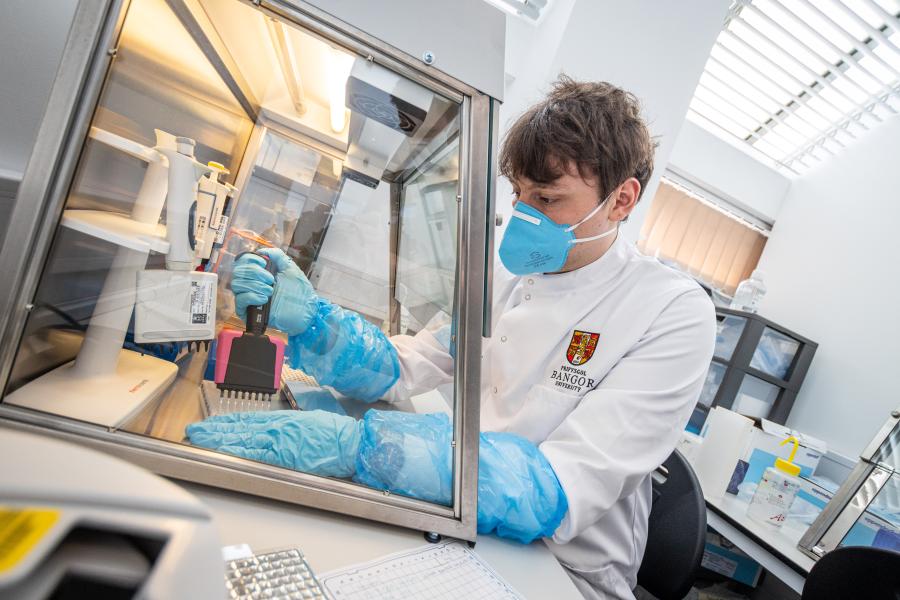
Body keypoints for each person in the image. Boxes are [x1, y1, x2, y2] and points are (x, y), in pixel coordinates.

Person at [187, 75, 715, 599]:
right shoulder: (505, 278)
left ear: (621, 200)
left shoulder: (671, 310)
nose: (525, 215)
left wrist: (364, 447)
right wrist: (315, 323)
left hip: (562, 570)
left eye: (548, 199)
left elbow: (557, 483)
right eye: (521, 195)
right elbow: (413, 363)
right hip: (467, 514)